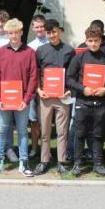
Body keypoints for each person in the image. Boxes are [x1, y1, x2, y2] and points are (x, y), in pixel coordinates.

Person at [66, 24, 105, 177]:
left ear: (100, 41)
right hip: (83, 102)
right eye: (90, 41)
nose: (93, 43)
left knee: (98, 135)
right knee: (79, 133)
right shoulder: (79, 58)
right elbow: (69, 78)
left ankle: (98, 164)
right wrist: (82, 89)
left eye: (96, 40)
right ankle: (77, 164)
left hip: (101, 104)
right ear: (86, 41)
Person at [0, 18, 38, 177]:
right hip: (3, 101)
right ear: (7, 33)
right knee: (2, 130)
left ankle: (24, 163)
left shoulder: (29, 52)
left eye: (16, 32)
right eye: (11, 33)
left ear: (21, 32)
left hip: (22, 101)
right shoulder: (1, 52)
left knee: (23, 131)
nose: (14, 36)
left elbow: (33, 77)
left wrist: (27, 99)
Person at [33, 19, 75, 175]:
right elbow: (36, 73)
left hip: (63, 96)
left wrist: (69, 90)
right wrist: (38, 89)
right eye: (49, 32)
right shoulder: (41, 50)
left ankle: (61, 161)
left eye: (54, 31)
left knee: (62, 131)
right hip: (45, 96)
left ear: (60, 31)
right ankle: (44, 160)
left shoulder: (69, 50)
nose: (52, 35)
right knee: (44, 131)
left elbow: (73, 74)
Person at [26, 14, 48, 159]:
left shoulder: (52, 43)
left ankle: (46, 152)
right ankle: (34, 148)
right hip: (34, 89)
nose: (39, 29)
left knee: (46, 121)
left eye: (42, 26)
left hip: (50, 88)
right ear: (33, 28)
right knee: (34, 121)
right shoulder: (30, 47)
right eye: (37, 26)